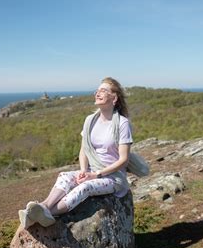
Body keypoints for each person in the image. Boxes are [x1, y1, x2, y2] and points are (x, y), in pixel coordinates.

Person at [18, 77, 133, 228]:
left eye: (103, 90)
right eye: (97, 90)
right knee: (65, 176)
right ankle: (44, 207)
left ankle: (45, 214)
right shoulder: (90, 120)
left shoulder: (123, 123)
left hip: (113, 177)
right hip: (91, 170)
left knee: (85, 187)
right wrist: (84, 171)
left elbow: (124, 160)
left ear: (114, 98)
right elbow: (84, 149)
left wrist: (96, 175)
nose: (98, 93)